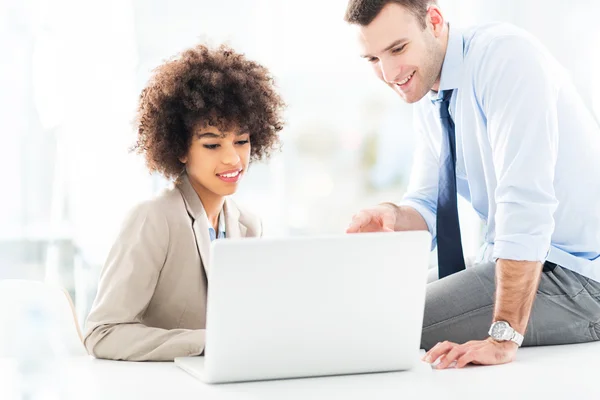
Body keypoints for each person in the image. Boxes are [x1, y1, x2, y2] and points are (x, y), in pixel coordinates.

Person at [344, 0, 600, 369]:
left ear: (433, 21)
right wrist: (392, 216)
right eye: (372, 59)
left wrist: (504, 336)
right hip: (511, 262)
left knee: (382, 319)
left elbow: (524, 202)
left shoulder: (507, 60)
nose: (388, 72)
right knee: (370, 301)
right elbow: (427, 203)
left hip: (577, 279)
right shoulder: (430, 88)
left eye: (398, 49)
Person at [83, 44, 285, 361]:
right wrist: (206, 342)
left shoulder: (248, 224)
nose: (233, 158)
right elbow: (102, 333)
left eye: (241, 141)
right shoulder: (153, 219)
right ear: (180, 148)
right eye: (212, 144)